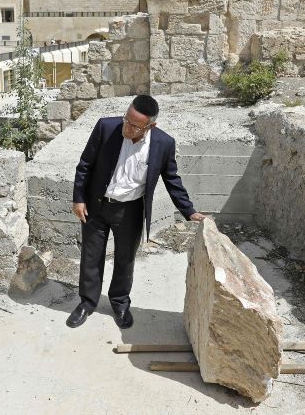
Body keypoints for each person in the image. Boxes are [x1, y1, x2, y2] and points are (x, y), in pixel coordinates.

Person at [67, 95, 205, 329]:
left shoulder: (163, 143)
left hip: (130, 210)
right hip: (97, 205)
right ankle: (87, 303)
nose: (126, 127)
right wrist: (79, 198)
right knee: (91, 257)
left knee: (125, 259)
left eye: (134, 125)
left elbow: (172, 179)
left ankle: (120, 302)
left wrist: (189, 211)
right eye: (126, 119)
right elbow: (85, 165)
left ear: (150, 126)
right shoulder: (106, 127)